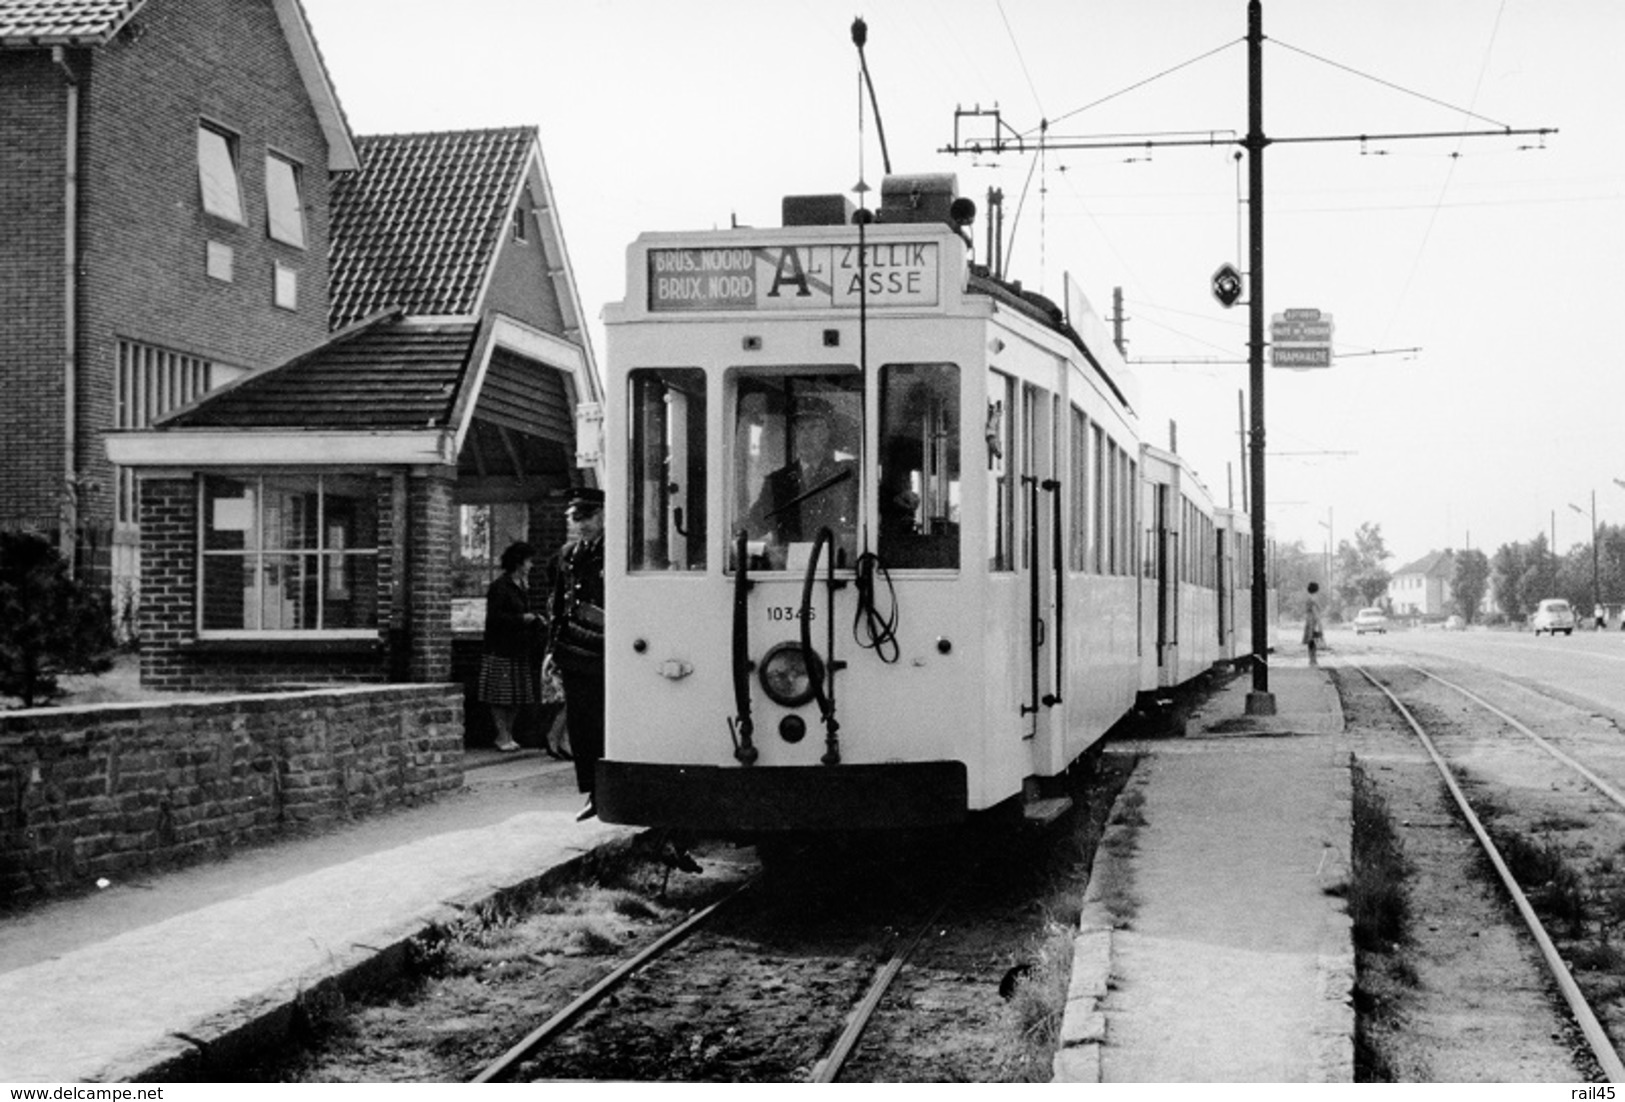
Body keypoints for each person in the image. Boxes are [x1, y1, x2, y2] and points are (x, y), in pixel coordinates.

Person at [546, 487, 607, 821]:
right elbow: (558, 604)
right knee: (581, 726)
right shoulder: (569, 555)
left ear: (602, 516)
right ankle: (592, 793)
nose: (581, 525)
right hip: (573, 650)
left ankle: (606, 791)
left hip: (605, 650)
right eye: (576, 519)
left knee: (604, 723)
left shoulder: (614, 553)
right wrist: (551, 651)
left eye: (587, 518)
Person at [744, 398, 858, 566]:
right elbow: (755, 524)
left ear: (827, 433)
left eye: (814, 427)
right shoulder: (777, 481)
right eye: (801, 429)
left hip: (836, 572)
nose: (806, 435)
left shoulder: (845, 477)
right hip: (788, 573)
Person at [478, 541, 541, 752]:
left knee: (517, 695)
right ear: (519, 562)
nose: (531, 565)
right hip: (500, 648)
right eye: (529, 561)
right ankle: (501, 734)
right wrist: (521, 618)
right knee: (500, 695)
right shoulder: (500, 587)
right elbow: (495, 618)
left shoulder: (522, 586)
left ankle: (509, 733)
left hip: (519, 647)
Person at [1302, 581, 1323, 668]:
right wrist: (1319, 622)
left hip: (1308, 620)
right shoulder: (1314, 599)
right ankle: (1313, 660)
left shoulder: (1309, 598)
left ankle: (1311, 659)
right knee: (1313, 640)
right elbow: (1315, 611)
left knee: (1311, 641)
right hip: (1313, 621)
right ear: (1317, 589)